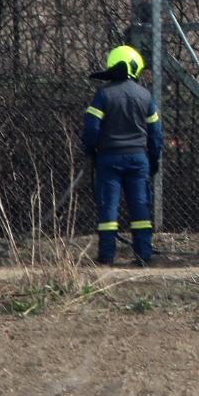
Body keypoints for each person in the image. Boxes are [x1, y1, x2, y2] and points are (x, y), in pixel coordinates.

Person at [81, 45, 163, 265]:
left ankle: (106, 256)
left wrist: (91, 150)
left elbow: (91, 127)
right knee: (140, 206)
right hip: (138, 159)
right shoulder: (145, 96)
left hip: (108, 158)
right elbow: (155, 134)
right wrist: (154, 159)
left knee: (108, 207)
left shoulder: (103, 94)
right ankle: (143, 255)